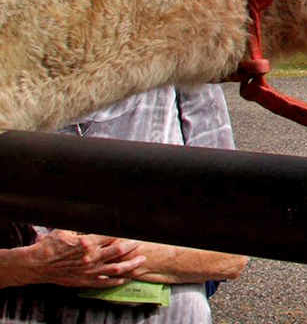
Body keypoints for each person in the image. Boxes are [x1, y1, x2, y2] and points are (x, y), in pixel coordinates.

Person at [0, 85, 248, 324]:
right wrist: (32, 264)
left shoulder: (183, 69)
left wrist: (105, 255)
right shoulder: (11, 72)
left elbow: (229, 256)